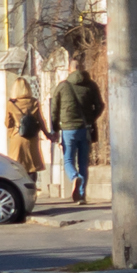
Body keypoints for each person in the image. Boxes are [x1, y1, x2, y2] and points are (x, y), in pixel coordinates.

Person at [49, 61, 102, 204]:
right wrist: (90, 118)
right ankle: (81, 195)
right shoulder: (91, 85)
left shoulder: (62, 86)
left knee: (68, 160)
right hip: (85, 129)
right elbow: (99, 105)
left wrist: (55, 129)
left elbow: (54, 110)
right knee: (83, 163)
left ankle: (74, 176)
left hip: (68, 129)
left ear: (69, 69)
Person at [7, 84, 45, 181]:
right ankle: (32, 189)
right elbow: (41, 121)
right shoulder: (34, 102)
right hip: (32, 137)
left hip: (17, 137)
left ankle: (20, 190)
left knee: (16, 165)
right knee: (31, 167)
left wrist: (12, 130)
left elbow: (7, 123)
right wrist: (48, 134)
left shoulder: (11, 104)